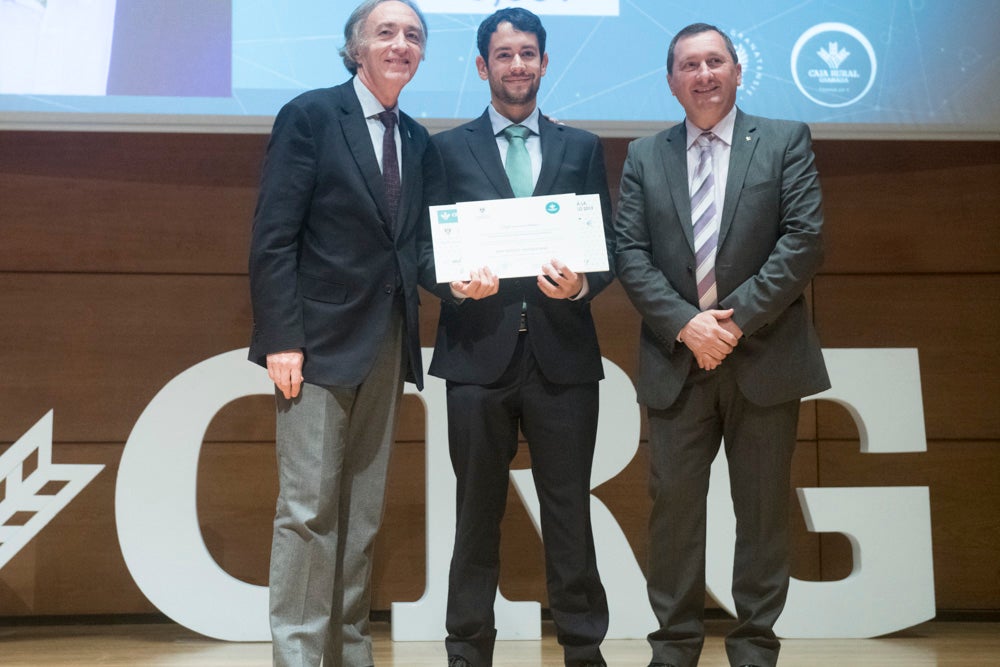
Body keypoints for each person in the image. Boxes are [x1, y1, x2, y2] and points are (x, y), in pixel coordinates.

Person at [613, 23, 830, 667]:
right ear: (672, 80)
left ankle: (756, 647)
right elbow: (630, 252)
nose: (703, 74)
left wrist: (730, 326)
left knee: (761, 514)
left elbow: (804, 241)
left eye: (715, 62)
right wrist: (688, 324)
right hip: (677, 358)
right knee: (673, 513)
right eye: (689, 65)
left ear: (738, 71)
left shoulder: (785, 140)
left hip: (763, 356)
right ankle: (675, 647)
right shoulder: (644, 155)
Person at [418, 7, 614, 667]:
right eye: (504, 55)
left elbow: (605, 248)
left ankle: (585, 650)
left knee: (569, 513)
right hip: (477, 356)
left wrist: (581, 285)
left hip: (564, 355)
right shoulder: (443, 150)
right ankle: (467, 653)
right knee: (476, 514)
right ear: (482, 66)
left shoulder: (582, 146)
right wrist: (452, 285)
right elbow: (424, 250)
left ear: (545, 62)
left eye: (528, 53)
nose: (517, 66)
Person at [247, 1, 436, 665]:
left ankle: (348, 651)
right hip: (315, 344)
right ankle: (298, 655)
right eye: (386, 32)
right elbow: (274, 236)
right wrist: (281, 338)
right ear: (357, 47)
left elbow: (415, 250)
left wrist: (469, 278)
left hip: (386, 341)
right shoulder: (311, 115)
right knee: (307, 512)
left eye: (413, 35)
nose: (401, 44)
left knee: (360, 515)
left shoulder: (416, 139)